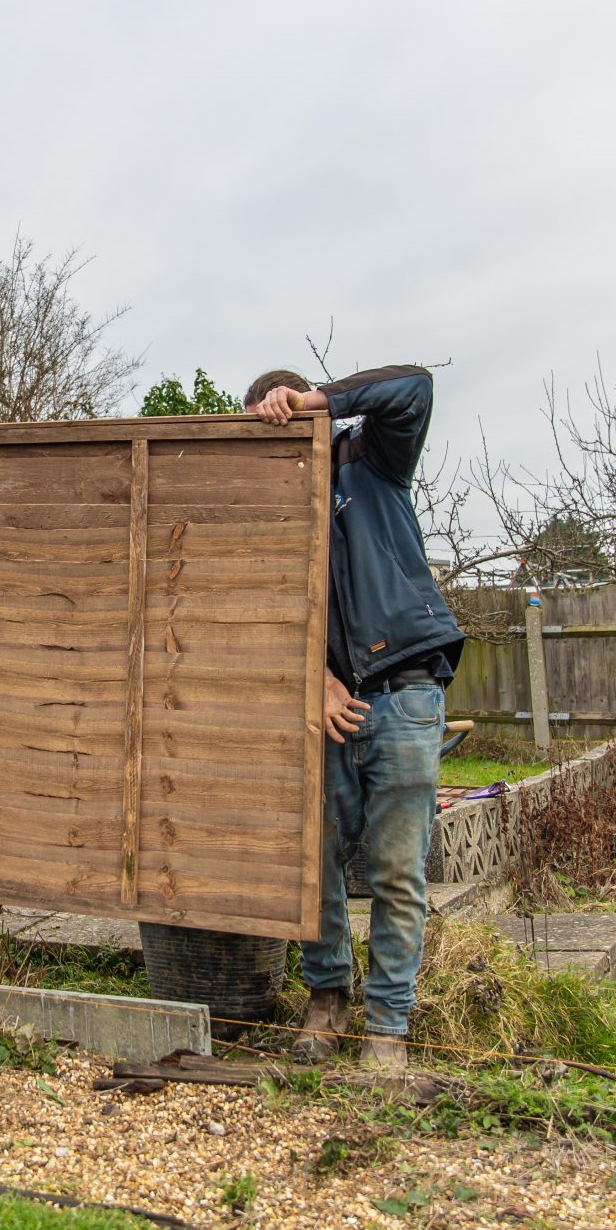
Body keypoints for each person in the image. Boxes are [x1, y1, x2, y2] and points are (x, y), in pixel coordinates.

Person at [247, 365, 464, 1071]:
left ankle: (388, 1029)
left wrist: (313, 402)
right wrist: (315, 679)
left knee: (397, 871)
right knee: (315, 860)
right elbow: (261, 608)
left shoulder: (370, 459)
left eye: (278, 421)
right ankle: (328, 1000)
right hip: (326, 708)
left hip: (403, 692)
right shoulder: (267, 508)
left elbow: (415, 384)